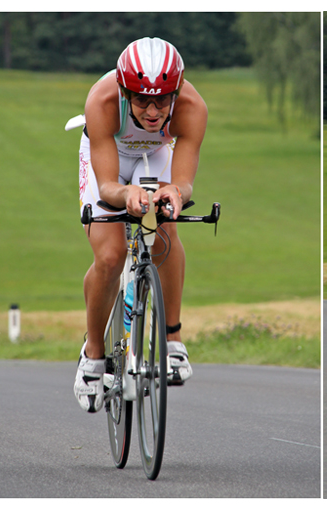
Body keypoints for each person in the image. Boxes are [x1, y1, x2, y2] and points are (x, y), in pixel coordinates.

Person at [73, 37, 208, 412]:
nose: (152, 111)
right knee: (111, 256)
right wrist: (125, 195)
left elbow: (182, 181)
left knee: (165, 230)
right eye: (142, 100)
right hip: (109, 156)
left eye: (162, 100)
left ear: (176, 93)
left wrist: (175, 194)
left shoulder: (192, 107)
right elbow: (107, 186)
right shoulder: (102, 101)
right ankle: (94, 355)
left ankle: (173, 340)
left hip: (156, 154)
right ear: (123, 91)